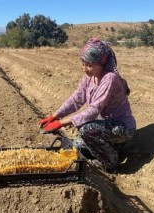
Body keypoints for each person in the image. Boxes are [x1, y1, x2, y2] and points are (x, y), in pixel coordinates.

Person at [39, 38, 136, 172]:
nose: (85, 69)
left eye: (89, 65)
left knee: (86, 130)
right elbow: (76, 99)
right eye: (83, 64)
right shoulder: (89, 77)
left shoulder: (110, 79)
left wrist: (61, 123)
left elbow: (93, 111)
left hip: (121, 126)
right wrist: (54, 116)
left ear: (101, 64)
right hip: (106, 125)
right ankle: (114, 147)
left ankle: (110, 163)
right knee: (79, 143)